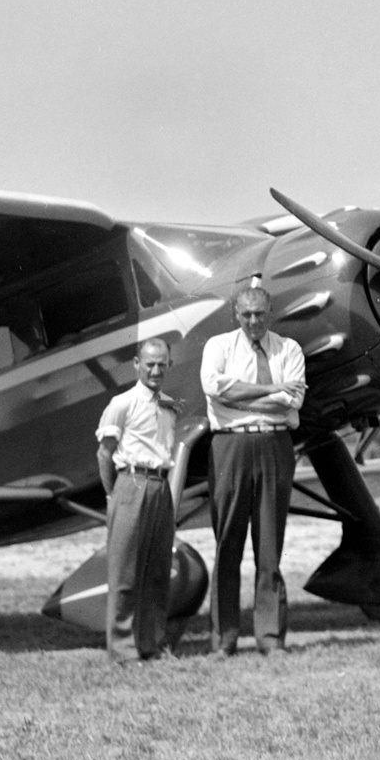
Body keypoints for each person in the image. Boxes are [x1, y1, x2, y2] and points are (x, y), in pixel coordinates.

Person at [200, 281, 306, 655]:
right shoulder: (219, 347)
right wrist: (270, 392)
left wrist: (241, 397)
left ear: (269, 313)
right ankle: (223, 638)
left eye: (259, 314)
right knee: (228, 542)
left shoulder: (288, 349)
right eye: (245, 315)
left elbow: (292, 399)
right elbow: (216, 390)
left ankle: (271, 637)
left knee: (269, 546)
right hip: (230, 447)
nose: (252, 321)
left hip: (275, 446)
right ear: (235, 314)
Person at [95, 337, 181, 663]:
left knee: (157, 571)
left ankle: (152, 644)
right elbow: (104, 454)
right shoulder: (122, 403)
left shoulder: (170, 406)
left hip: (160, 486)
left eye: (162, 364)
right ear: (136, 365)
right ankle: (122, 649)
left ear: (169, 365)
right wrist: (112, 494)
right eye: (149, 364)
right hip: (130, 483)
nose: (156, 370)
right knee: (125, 573)